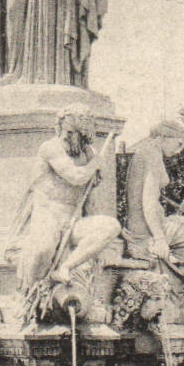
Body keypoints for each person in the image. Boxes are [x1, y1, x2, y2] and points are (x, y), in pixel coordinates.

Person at [10, 106, 119, 297]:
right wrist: (96, 164)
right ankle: (31, 293)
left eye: (73, 133)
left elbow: (90, 194)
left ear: (83, 135)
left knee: (110, 226)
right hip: (48, 218)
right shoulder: (51, 148)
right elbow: (76, 177)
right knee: (43, 249)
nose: (67, 136)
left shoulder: (88, 153)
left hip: (72, 221)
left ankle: (65, 267)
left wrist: (95, 170)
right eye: (65, 130)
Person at [123, 117, 184, 303]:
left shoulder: (145, 151)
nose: (178, 151)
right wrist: (160, 239)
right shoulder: (151, 154)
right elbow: (148, 201)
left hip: (148, 225)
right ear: (164, 136)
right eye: (178, 144)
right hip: (147, 231)